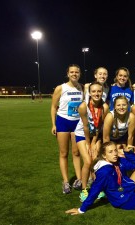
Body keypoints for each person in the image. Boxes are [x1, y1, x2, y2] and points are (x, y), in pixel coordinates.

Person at [51, 64, 83, 194]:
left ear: (79, 74)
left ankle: (80, 179)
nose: (74, 74)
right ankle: (65, 182)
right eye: (72, 72)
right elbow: (53, 107)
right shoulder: (61, 88)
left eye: (77, 72)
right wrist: (54, 124)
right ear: (68, 74)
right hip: (63, 122)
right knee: (64, 153)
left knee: (76, 153)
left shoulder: (81, 87)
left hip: (77, 123)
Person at [74, 82, 109, 201]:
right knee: (88, 161)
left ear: (102, 92)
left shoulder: (104, 107)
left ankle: (97, 188)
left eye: (99, 91)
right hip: (82, 135)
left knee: (96, 160)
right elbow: (85, 127)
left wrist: (94, 141)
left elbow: (99, 126)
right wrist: (89, 144)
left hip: (95, 135)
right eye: (93, 91)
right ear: (89, 93)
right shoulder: (84, 106)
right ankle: (84, 190)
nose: (96, 94)